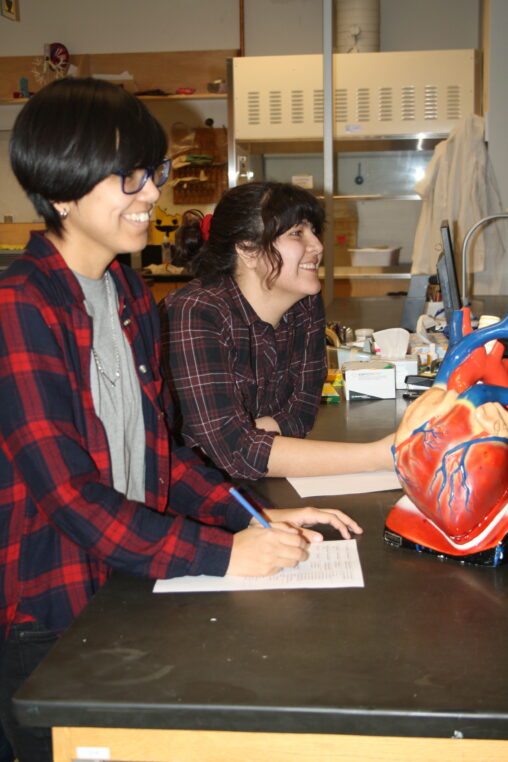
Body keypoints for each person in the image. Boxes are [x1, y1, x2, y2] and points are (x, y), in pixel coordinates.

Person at [0, 78, 361, 762]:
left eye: (152, 173)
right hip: (46, 612)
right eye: (127, 178)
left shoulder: (128, 293)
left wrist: (248, 516)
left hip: (126, 582)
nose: (151, 194)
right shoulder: (21, 306)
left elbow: (159, 458)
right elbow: (68, 495)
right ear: (62, 190)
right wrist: (224, 553)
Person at [160, 182, 394, 480]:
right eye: (297, 233)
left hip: (250, 483)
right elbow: (235, 453)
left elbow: (302, 412)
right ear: (248, 250)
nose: (318, 246)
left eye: (313, 231)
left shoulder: (304, 304)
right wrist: (378, 456)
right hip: (192, 496)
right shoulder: (195, 312)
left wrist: (244, 437)